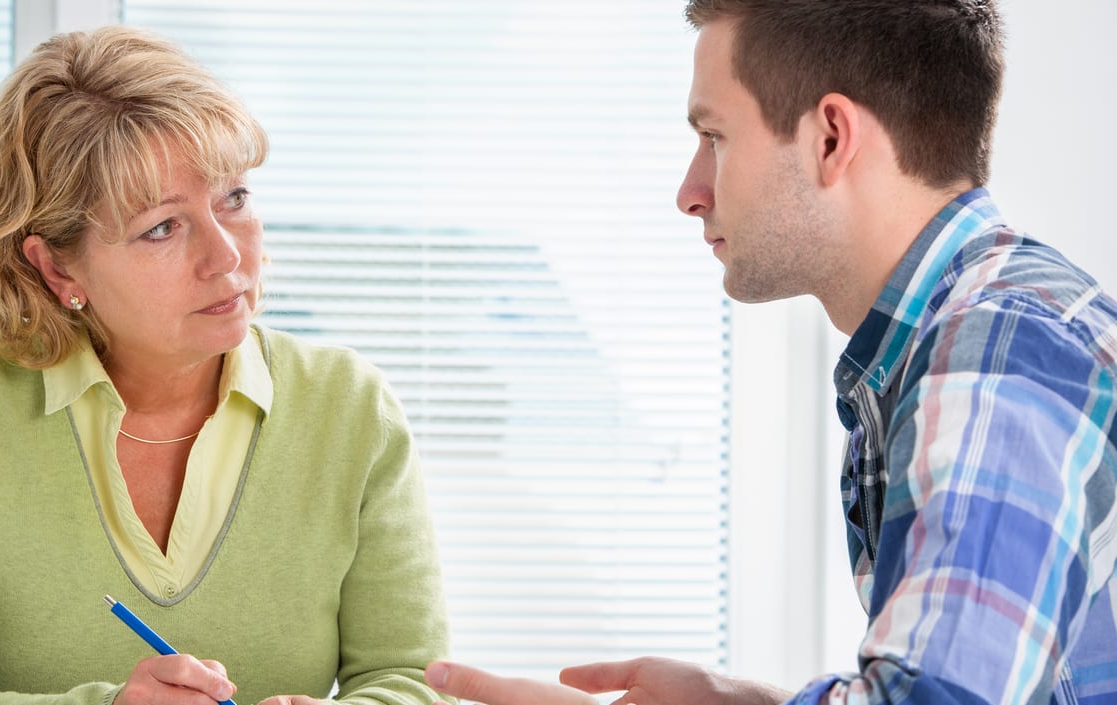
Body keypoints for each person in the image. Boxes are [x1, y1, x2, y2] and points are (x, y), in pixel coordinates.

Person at [425, 1, 1117, 705]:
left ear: (829, 139)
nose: (689, 193)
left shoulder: (996, 358)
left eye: (714, 136)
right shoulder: (947, 347)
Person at [0, 26, 451, 705]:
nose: (227, 255)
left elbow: (414, 679)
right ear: (56, 266)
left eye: (234, 198)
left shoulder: (351, 407)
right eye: (163, 227)